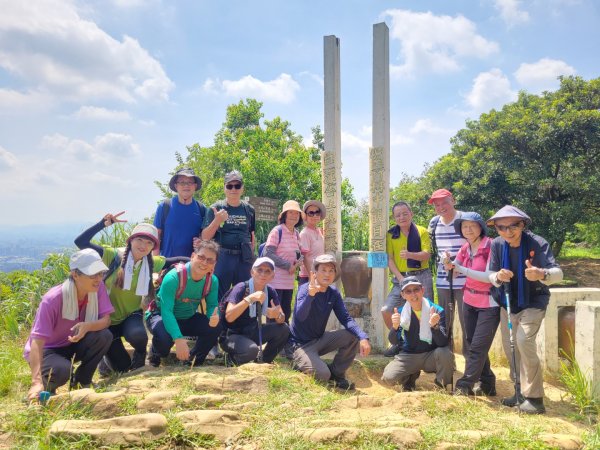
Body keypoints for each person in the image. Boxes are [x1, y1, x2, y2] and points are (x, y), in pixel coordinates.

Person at [74, 212, 188, 374]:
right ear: (131, 240)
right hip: (105, 319)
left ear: (152, 247)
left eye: (149, 242)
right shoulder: (112, 256)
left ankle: (140, 358)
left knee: (139, 336)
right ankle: (107, 360)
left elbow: (177, 259)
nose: (143, 245)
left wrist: (199, 261)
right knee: (122, 368)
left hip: (130, 315)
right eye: (139, 239)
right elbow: (80, 242)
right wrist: (103, 224)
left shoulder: (150, 263)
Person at [487, 205, 563, 414]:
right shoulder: (497, 244)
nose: (507, 231)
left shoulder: (537, 243)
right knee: (509, 345)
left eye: (514, 225)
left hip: (534, 301)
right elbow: (490, 273)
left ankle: (535, 398)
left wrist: (541, 273)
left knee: (523, 341)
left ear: (523, 224)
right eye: (501, 227)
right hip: (508, 301)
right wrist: (498, 276)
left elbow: (558, 273)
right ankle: (519, 390)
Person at [24, 249, 113, 401]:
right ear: (75, 274)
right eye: (92, 275)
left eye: (101, 273)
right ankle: (44, 388)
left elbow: (106, 320)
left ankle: (81, 382)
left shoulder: (97, 288)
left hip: (72, 344)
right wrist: (35, 381)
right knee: (62, 370)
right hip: (49, 350)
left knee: (104, 336)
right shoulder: (53, 299)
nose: (98, 279)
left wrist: (87, 326)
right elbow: (37, 343)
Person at [289, 254, 371, 391]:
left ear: (335, 274)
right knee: (322, 374)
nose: (327, 274)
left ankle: (337, 374)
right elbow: (300, 316)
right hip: (300, 345)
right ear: (314, 273)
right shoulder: (305, 290)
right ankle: (299, 362)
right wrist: (311, 295)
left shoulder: (333, 293)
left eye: (331, 270)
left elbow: (345, 318)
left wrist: (363, 336)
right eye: (323, 270)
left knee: (352, 336)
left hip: (319, 339)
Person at [443, 212, 499, 396]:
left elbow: (488, 276)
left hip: (488, 303)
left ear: (480, 227)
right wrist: (448, 265)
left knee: (477, 347)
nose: (468, 230)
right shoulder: (466, 248)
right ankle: (488, 382)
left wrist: (460, 269)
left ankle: (464, 385)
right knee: (472, 343)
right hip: (469, 300)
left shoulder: (491, 246)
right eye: (464, 226)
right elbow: (455, 269)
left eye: (472, 226)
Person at [146, 240, 223, 367]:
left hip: (187, 317)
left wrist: (214, 317)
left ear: (214, 264)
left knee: (216, 327)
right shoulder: (173, 278)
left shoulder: (212, 281)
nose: (204, 263)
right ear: (193, 256)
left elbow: (212, 306)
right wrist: (178, 339)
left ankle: (193, 359)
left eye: (210, 260)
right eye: (201, 257)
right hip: (160, 316)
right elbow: (166, 311)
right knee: (164, 339)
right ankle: (155, 354)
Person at [381, 277, 454, 391]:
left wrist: (435, 327)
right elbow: (394, 341)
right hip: (410, 355)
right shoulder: (400, 313)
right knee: (389, 377)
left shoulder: (437, 311)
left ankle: (442, 384)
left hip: (431, 355)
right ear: (403, 295)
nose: (413, 294)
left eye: (416, 289)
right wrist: (395, 327)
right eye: (408, 291)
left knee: (445, 353)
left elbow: (443, 342)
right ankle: (409, 378)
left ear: (422, 290)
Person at [382, 201, 433, 356]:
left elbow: (426, 254)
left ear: (411, 214)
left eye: (405, 213)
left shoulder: (422, 231)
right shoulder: (391, 234)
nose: (402, 217)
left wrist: (410, 254)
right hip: (401, 278)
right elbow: (390, 259)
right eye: (398, 215)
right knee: (387, 310)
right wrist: (400, 278)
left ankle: (426, 346)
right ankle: (398, 342)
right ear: (394, 218)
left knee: (426, 311)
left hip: (421, 276)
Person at [220, 257, 289, 365]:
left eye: (267, 271)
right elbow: (229, 317)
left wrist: (277, 315)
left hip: (252, 331)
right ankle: (232, 358)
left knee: (284, 328)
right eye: (259, 270)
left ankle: (263, 361)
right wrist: (250, 299)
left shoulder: (270, 291)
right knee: (251, 350)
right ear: (252, 272)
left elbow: (281, 318)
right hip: (232, 335)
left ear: (272, 276)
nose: (263, 274)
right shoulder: (241, 288)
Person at [202, 170, 256, 299]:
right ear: (224, 188)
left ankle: (241, 319)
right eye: (229, 186)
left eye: (237, 186)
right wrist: (217, 221)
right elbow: (204, 237)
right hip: (223, 257)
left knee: (244, 293)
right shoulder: (216, 208)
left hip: (244, 258)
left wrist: (251, 255)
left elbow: (251, 234)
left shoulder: (249, 209)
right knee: (218, 294)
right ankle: (218, 319)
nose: (233, 189)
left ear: (242, 188)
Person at [428, 189, 468, 355]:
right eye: (437, 204)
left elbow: (475, 247)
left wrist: (458, 263)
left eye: (444, 202)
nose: (441, 207)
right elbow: (434, 249)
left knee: (467, 322)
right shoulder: (434, 223)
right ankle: (446, 359)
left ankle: (471, 364)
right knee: (444, 321)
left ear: (453, 200)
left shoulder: (466, 219)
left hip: (466, 279)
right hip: (444, 280)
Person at [263, 200, 307, 323]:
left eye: (297, 213)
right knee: (274, 315)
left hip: (288, 282)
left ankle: (283, 341)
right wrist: (288, 266)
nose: (294, 216)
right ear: (284, 215)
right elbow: (268, 253)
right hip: (275, 282)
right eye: (291, 212)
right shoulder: (277, 231)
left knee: (286, 314)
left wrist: (299, 261)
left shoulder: (297, 234)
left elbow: (298, 253)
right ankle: (273, 341)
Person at [153, 167, 206, 257]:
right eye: (182, 182)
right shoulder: (165, 206)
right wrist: (156, 263)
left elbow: (206, 237)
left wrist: (201, 242)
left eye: (190, 182)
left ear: (195, 186)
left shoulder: (202, 209)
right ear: (176, 186)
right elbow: (156, 235)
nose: (186, 185)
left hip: (193, 265)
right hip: (167, 263)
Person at [298, 200, 326, 285]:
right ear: (305, 216)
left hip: (320, 275)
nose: (315, 216)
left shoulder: (318, 231)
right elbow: (305, 257)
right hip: (308, 277)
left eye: (317, 213)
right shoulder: (305, 233)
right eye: (311, 213)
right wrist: (312, 276)